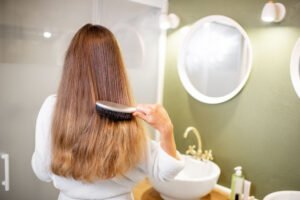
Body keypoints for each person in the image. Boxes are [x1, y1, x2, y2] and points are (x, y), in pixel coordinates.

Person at [31, 24, 184, 200]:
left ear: (71, 64)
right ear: (116, 68)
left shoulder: (52, 108)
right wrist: (166, 128)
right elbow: (165, 171)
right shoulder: (126, 119)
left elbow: (42, 172)